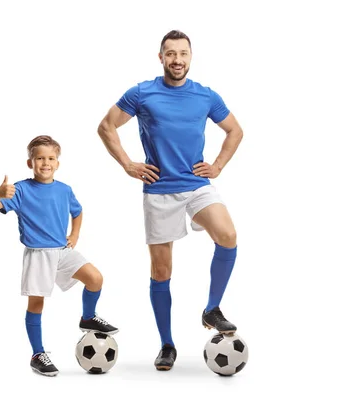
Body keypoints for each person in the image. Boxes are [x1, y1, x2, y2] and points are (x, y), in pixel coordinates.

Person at [96, 30, 244, 371]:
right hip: (159, 190)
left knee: (228, 236)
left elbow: (235, 130)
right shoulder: (142, 93)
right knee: (161, 271)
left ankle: (212, 308)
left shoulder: (206, 96)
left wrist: (218, 165)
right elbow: (106, 126)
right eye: (170, 54)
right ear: (160, 57)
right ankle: (167, 344)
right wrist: (128, 164)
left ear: (191, 58)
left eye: (183, 54)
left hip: (196, 185)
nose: (177, 59)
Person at [0, 135, 119, 377]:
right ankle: (38, 354)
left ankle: (88, 317)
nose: (45, 163)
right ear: (30, 163)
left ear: (58, 163)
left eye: (50, 158)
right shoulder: (20, 189)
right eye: (39, 158)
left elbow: (78, 212)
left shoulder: (64, 189)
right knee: (37, 304)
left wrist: (75, 234)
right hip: (38, 255)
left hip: (62, 251)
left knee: (95, 278)